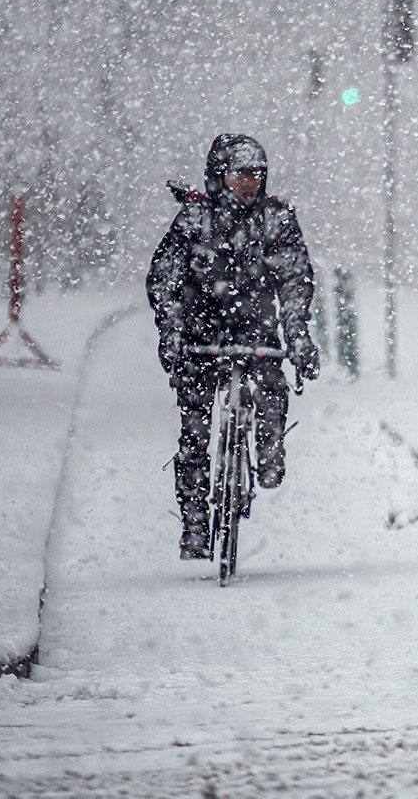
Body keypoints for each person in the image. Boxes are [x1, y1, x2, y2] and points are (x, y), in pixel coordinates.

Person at [146, 134, 320, 559]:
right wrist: (172, 330)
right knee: (194, 434)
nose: (250, 183)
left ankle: (269, 448)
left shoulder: (275, 219)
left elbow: (295, 279)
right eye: (240, 174)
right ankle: (194, 524)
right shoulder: (195, 219)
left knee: (271, 388)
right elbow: (164, 278)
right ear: (219, 176)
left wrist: (297, 334)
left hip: (256, 331)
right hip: (200, 335)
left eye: (257, 174)